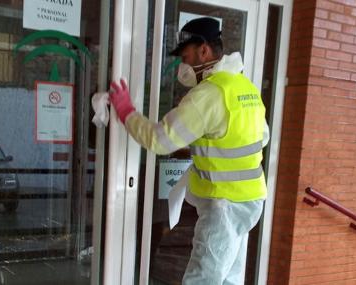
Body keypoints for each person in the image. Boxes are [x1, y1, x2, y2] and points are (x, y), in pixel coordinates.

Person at [109, 17, 269, 285]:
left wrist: (126, 112)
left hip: (224, 205)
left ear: (203, 51)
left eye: (186, 56)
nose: (183, 66)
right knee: (228, 278)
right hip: (250, 201)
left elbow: (160, 140)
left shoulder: (208, 94)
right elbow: (258, 137)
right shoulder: (244, 87)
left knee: (202, 280)